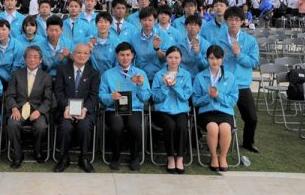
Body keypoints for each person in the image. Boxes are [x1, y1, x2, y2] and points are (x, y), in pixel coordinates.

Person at [99, 42, 151, 171]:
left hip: (134, 108)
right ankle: (115, 157)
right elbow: (101, 95)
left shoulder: (140, 74)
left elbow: (145, 98)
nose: (125, 58)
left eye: (128, 55)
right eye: (122, 55)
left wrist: (140, 85)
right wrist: (111, 97)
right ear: (117, 56)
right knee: (117, 127)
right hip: (114, 108)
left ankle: (134, 157)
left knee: (134, 127)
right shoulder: (108, 74)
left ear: (133, 55)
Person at [213, 6, 259, 153]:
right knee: (222, 116)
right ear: (226, 21)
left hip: (242, 84)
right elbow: (213, 61)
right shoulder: (218, 40)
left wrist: (239, 55)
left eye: (237, 19)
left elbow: (254, 62)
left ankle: (248, 142)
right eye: (230, 19)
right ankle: (220, 142)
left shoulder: (250, 41)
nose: (233, 22)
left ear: (242, 22)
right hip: (224, 84)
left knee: (251, 117)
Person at [53, 43, 100, 173]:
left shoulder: (94, 73)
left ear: (89, 56)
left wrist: (85, 109)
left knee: (84, 126)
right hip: (65, 109)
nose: (82, 55)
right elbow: (58, 92)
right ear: (73, 55)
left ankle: (84, 158)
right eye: (79, 52)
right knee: (66, 127)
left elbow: (94, 95)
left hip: (85, 111)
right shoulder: (62, 70)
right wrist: (66, 107)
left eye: (85, 53)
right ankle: (63, 158)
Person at [5, 46, 53, 168]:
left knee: (41, 126)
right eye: (29, 57)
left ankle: (37, 151)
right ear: (25, 59)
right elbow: (10, 95)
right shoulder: (16, 74)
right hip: (19, 108)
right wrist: (14, 108)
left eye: (35, 57)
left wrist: (39, 111)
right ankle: (18, 154)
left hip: (37, 109)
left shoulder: (46, 77)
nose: (32, 60)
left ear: (40, 60)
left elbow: (48, 99)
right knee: (12, 124)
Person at [193, 45, 239, 172]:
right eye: (212, 58)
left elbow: (233, 101)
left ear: (222, 59)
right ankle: (213, 157)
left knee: (225, 128)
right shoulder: (200, 77)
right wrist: (208, 97)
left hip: (225, 111)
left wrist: (218, 96)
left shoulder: (230, 77)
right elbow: (195, 101)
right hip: (206, 112)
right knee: (213, 128)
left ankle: (223, 157)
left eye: (218, 58)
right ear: (207, 58)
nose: (215, 61)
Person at [151, 46, 193, 174]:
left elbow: (186, 96)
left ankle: (180, 158)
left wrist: (175, 86)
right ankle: (170, 158)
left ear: (181, 59)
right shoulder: (159, 75)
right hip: (163, 111)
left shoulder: (186, 75)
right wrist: (164, 86)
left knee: (181, 125)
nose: (173, 60)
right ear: (166, 59)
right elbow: (155, 98)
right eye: (170, 57)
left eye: (176, 57)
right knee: (169, 125)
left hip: (180, 111)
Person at [130, 7, 171, 83]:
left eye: (150, 20)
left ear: (155, 21)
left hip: (159, 77)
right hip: (141, 76)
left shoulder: (163, 35)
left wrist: (157, 49)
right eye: (144, 20)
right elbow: (132, 58)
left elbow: (166, 58)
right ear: (140, 21)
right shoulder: (134, 38)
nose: (147, 23)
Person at [0, 19, 24, 88]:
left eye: (4, 29)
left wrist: (10, 84)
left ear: (9, 31)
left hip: (13, 80)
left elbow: (16, 67)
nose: (0, 32)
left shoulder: (18, 46)